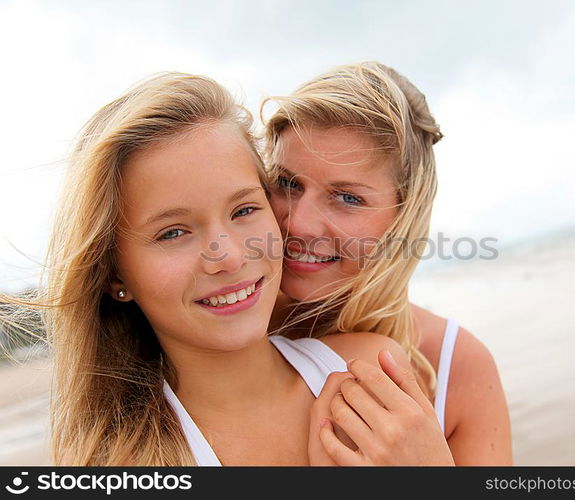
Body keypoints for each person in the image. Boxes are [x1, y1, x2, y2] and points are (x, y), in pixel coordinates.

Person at [0, 71, 453, 465]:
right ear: (115, 274)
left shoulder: (373, 370)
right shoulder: (122, 461)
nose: (231, 257)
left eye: (243, 211)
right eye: (173, 233)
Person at [262, 61, 513, 465]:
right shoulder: (212, 331)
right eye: (288, 184)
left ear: (402, 219)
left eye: (347, 197)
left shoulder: (455, 365)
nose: (299, 222)